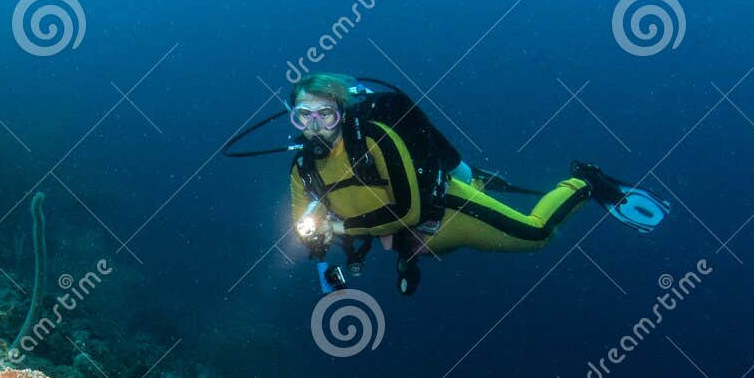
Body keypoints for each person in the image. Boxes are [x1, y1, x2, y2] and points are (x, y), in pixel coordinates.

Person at [280, 73, 666, 295]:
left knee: (536, 235)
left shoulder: (377, 139)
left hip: (445, 211)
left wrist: (342, 227)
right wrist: (314, 238)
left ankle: (584, 181)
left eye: (325, 114)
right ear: (294, 119)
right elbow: (303, 221)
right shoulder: (302, 169)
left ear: (341, 113)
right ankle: (472, 184)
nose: (315, 126)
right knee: (408, 246)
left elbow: (409, 210)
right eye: (304, 115)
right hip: (407, 239)